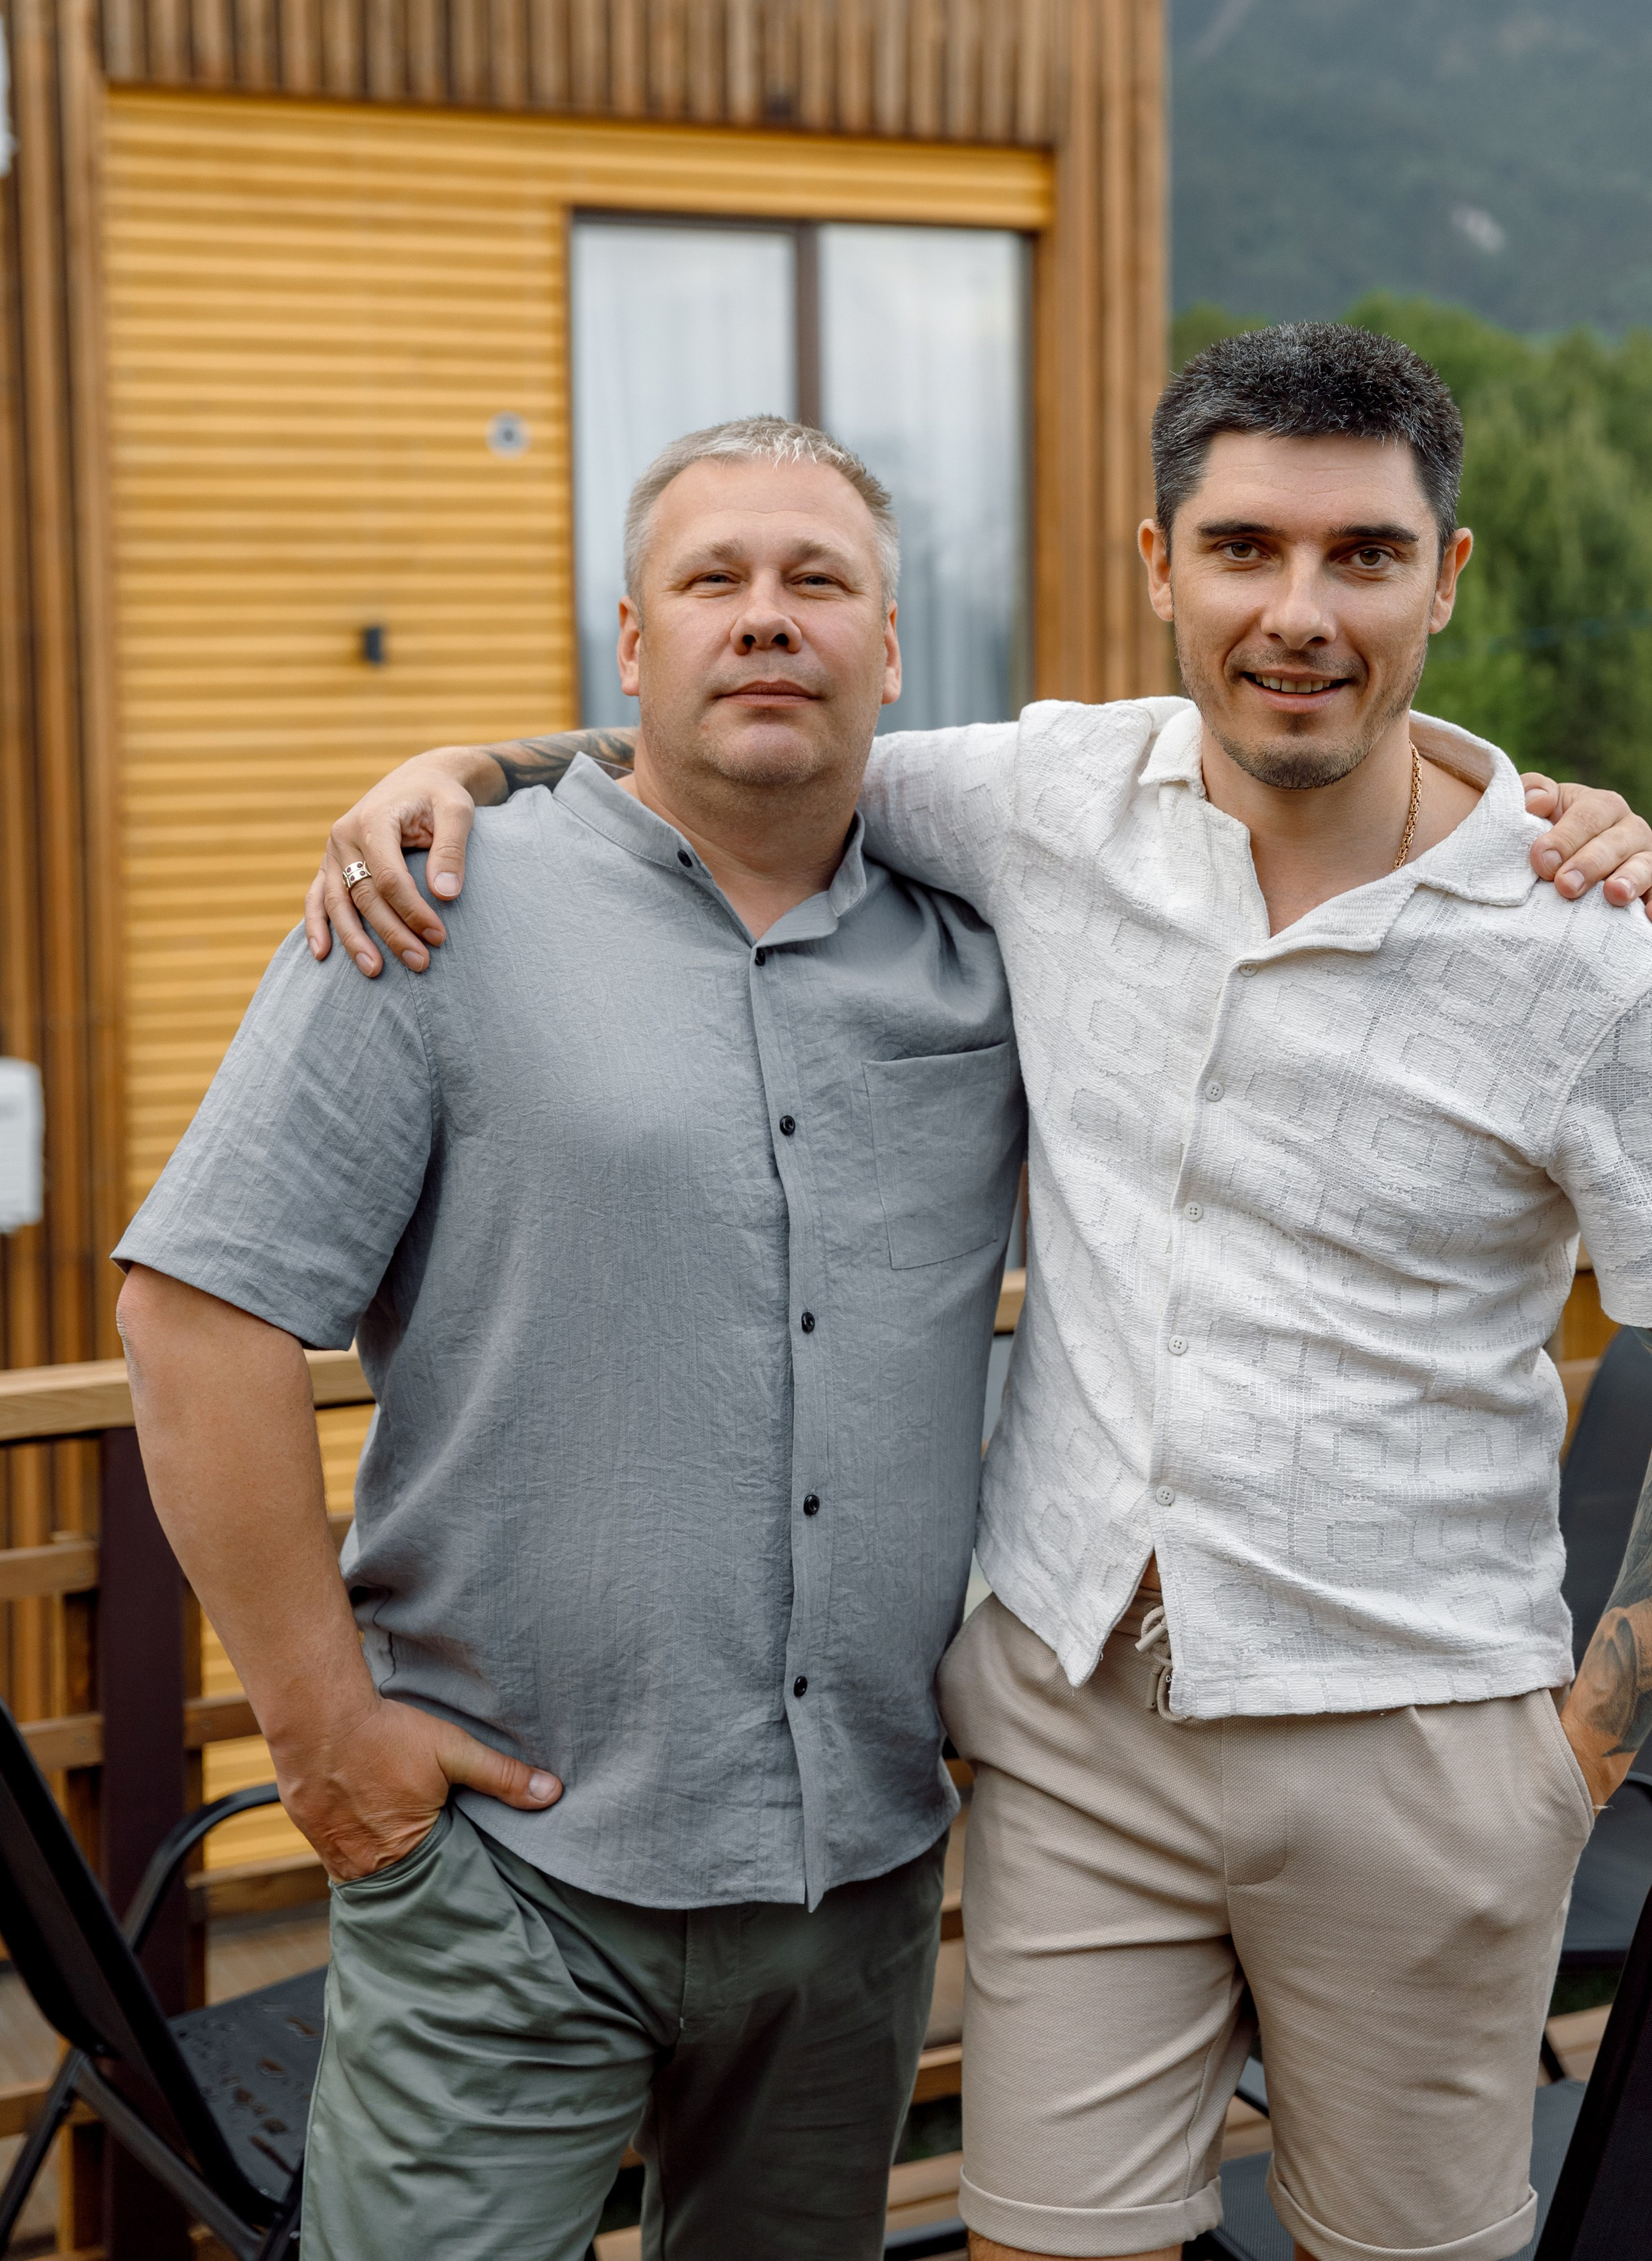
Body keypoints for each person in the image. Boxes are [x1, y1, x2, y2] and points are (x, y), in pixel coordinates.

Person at [305, 329, 1652, 2261]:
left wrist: (1570, 1759)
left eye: (1363, 557)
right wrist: (461, 764)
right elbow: (755, 743)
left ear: (1447, 575)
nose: (1299, 612)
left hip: (1420, 1750)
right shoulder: (1044, 799)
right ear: (1160, 564)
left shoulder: (1591, 959)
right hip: (1075, 1729)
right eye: (1243, 549)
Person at [115, 418, 1028, 2261]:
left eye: (816, 582)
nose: (765, 621)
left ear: (891, 649)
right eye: (714, 583)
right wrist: (321, 1741)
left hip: (855, 1873)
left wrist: (1521, 798)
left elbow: (1270, 788)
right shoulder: (438, 902)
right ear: (633, 644)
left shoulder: (995, 944)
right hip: (505, 1878)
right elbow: (196, 1312)